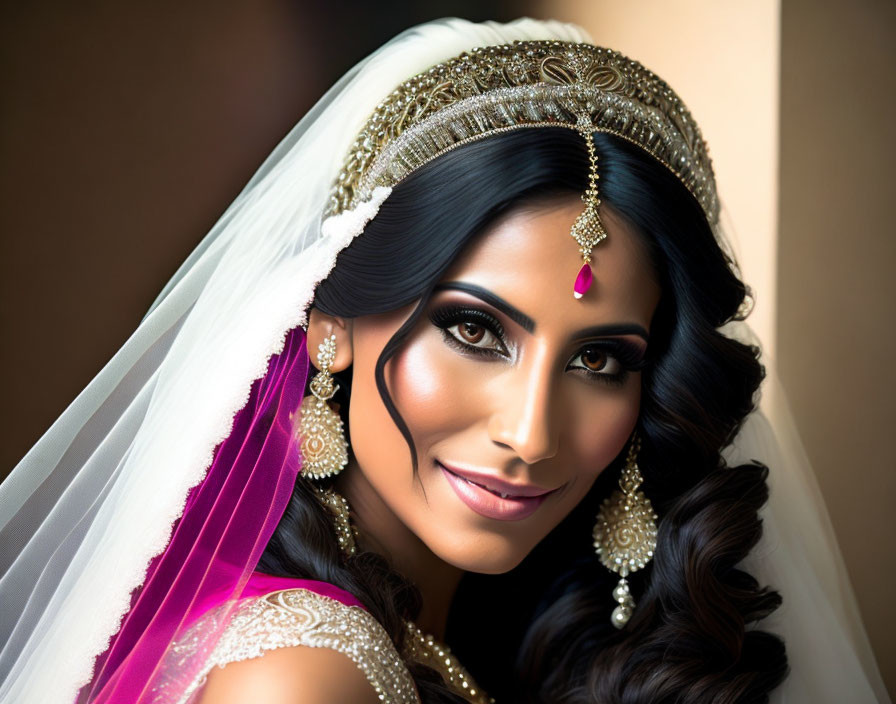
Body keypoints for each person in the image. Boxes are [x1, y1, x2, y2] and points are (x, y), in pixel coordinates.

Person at [0, 16, 889, 704]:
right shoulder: (302, 673)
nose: (530, 431)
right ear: (329, 323)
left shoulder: (444, 631)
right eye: (474, 332)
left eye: (601, 361)